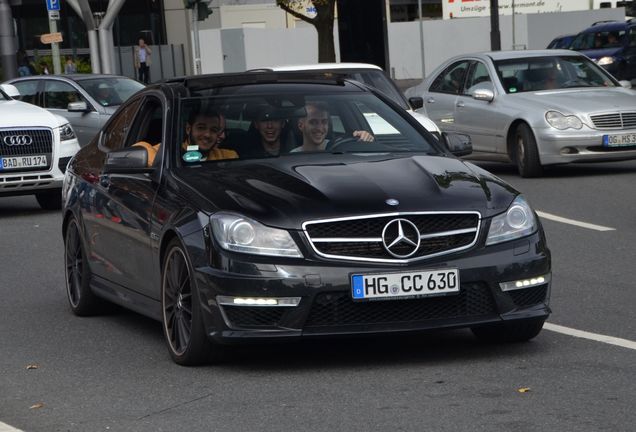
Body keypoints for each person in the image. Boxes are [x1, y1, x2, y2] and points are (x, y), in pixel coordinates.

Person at [291, 101, 374, 152]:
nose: (320, 128)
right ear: (301, 125)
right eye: (313, 122)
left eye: (324, 122)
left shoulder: (341, 147)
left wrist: (365, 139)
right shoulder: (293, 157)